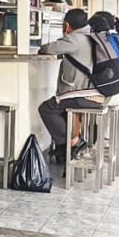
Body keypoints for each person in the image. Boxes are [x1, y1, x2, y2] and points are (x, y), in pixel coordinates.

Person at [37, 9, 102, 163]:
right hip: (97, 93)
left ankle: (71, 143)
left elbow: (48, 48)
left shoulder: (75, 39)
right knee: (62, 110)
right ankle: (69, 145)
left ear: (67, 25)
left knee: (47, 108)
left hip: (82, 94)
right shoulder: (93, 35)